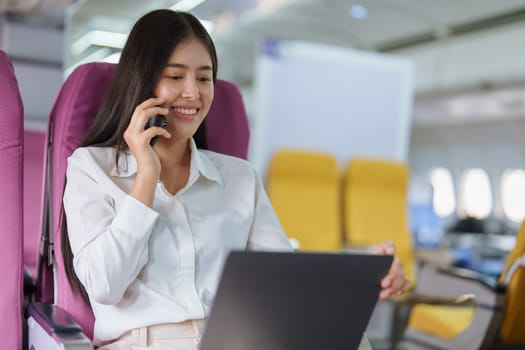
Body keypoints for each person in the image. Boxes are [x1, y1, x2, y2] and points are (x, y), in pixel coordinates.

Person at [61, 9, 410, 350]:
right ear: (142, 81)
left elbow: (286, 282)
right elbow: (105, 285)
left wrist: (365, 276)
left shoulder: (239, 177)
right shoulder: (91, 168)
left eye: (203, 78)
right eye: (175, 76)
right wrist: (146, 179)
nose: (193, 93)